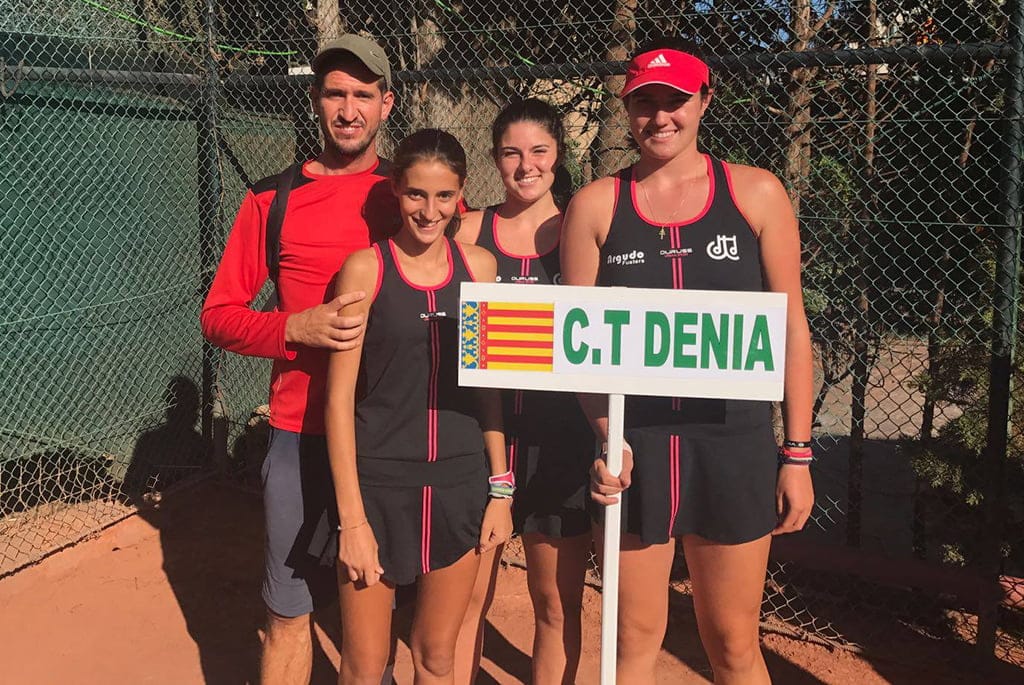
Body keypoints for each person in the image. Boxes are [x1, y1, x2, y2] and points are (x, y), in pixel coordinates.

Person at [561, 37, 815, 684]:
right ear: (626, 109)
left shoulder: (756, 193)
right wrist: (605, 437)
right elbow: (577, 344)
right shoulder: (595, 205)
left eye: (675, 100)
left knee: (732, 643)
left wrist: (798, 453)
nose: (660, 117)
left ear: (704, 99)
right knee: (632, 643)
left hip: (731, 442)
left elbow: (791, 329)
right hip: (634, 443)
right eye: (644, 102)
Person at [200, 34, 397, 685]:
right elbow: (219, 316)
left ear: (386, 104)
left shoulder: (416, 198)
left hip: (389, 439)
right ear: (316, 101)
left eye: (362, 94)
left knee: (381, 610)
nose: (348, 108)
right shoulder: (270, 200)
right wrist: (295, 325)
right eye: (335, 93)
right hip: (298, 436)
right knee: (289, 610)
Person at [323, 129, 514, 685]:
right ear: (396, 192)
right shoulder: (365, 268)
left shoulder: (480, 268)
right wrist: (351, 520)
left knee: (436, 658)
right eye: (416, 195)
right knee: (364, 664)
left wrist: (499, 489)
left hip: (460, 484)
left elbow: (489, 389)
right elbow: (338, 402)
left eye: (444, 197)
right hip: (378, 489)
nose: (429, 211)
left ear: (461, 197)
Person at [453, 99, 594, 685]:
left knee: (555, 604)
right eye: (511, 152)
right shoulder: (465, 230)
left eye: (539, 151)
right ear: (495, 158)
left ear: (558, 157)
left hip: (562, 439)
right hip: (478, 435)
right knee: (464, 603)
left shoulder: (585, 231)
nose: (525, 164)